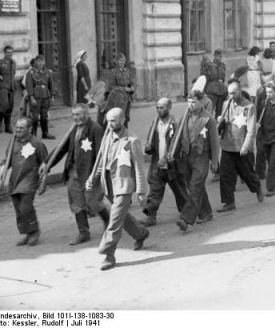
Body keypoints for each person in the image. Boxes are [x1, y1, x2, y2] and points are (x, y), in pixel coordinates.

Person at [86, 108, 149, 271]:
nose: (110, 123)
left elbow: (139, 169)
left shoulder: (132, 141)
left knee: (114, 221)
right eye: (108, 120)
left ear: (123, 120)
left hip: (124, 186)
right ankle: (140, 233)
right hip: (109, 185)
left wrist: (142, 192)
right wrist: (92, 179)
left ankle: (108, 254)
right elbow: (101, 162)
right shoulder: (107, 138)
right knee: (120, 215)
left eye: (113, 120)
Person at [39, 104, 109, 245]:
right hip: (74, 173)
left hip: (90, 173)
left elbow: (102, 154)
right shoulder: (73, 129)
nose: (75, 118)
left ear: (86, 114)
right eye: (73, 115)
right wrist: (47, 163)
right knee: (76, 204)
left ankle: (108, 222)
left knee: (93, 203)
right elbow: (61, 148)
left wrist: (98, 174)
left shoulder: (95, 129)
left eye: (78, 115)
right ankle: (84, 232)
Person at [139, 98, 190, 227]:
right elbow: (150, 142)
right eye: (157, 107)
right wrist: (148, 148)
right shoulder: (155, 123)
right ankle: (150, 216)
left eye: (162, 107)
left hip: (173, 165)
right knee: (155, 191)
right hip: (158, 165)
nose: (159, 110)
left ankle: (187, 214)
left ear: (169, 107)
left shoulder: (175, 124)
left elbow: (177, 145)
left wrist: (167, 158)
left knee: (180, 191)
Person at [175, 91, 220, 231]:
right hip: (187, 156)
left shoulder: (209, 120)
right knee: (194, 186)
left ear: (201, 102)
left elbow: (214, 142)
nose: (190, 105)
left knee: (195, 188)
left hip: (202, 157)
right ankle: (206, 213)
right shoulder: (184, 117)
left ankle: (186, 219)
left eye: (194, 102)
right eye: (188, 102)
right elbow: (178, 137)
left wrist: (214, 162)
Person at [216, 79, 264, 212]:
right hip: (227, 145)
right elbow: (221, 127)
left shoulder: (249, 107)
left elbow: (251, 129)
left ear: (240, 91)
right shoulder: (226, 104)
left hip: (241, 147)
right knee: (225, 175)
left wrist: (246, 146)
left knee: (247, 174)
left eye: (234, 93)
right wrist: (220, 122)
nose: (231, 96)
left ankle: (257, 186)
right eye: (229, 93)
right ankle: (229, 202)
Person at [0, 117, 48, 246]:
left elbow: (46, 164)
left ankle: (35, 231)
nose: (18, 130)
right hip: (15, 180)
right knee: (19, 210)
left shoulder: (38, 144)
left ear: (30, 129)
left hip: (30, 180)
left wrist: (43, 182)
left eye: (21, 128)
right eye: (17, 127)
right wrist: (0, 177)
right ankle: (28, 233)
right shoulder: (13, 142)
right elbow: (6, 161)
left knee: (25, 207)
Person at [25, 55, 55, 139]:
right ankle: (33, 135)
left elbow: (51, 85)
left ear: (44, 62)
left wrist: (52, 96)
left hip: (46, 96)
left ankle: (45, 133)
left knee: (44, 115)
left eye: (42, 61)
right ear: (35, 62)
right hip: (36, 96)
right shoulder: (30, 73)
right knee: (34, 116)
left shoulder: (48, 72)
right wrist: (31, 98)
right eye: (38, 61)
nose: (40, 63)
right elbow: (29, 86)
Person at [0, 45, 17, 133]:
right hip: (3, 86)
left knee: (10, 107)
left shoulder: (14, 62)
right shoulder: (1, 62)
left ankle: (7, 126)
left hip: (12, 86)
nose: (10, 54)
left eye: (11, 52)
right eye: (8, 52)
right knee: (4, 104)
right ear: (5, 53)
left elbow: (13, 74)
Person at [109, 55, 135, 128]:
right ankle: (121, 131)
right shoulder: (114, 72)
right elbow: (111, 86)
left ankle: (125, 130)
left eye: (123, 60)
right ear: (117, 61)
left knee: (127, 116)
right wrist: (124, 89)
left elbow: (132, 82)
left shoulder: (127, 71)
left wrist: (132, 87)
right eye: (120, 60)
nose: (122, 62)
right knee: (120, 116)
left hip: (128, 98)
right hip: (119, 98)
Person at [200, 49, 228, 118]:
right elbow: (206, 78)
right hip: (212, 91)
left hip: (221, 91)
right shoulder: (210, 66)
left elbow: (223, 79)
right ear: (215, 56)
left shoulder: (223, 66)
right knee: (209, 110)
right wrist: (204, 91)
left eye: (221, 56)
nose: (219, 58)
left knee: (219, 112)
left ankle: (217, 127)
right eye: (218, 56)